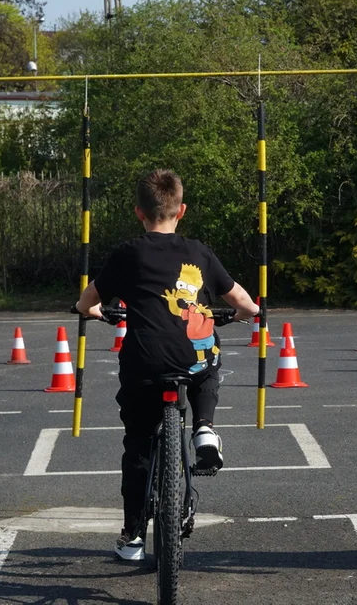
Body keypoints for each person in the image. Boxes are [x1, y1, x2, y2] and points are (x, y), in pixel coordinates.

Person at [75, 168, 260, 562]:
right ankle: (205, 428)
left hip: (143, 362)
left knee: (138, 446)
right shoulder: (199, 253)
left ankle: (133, 537)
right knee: (209, 358)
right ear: (182, 210)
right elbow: (243, 302)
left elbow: (85, 302)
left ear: (139, 212)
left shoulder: (128, 253)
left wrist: (101, 314)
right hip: (191, 357)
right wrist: (245, 314)